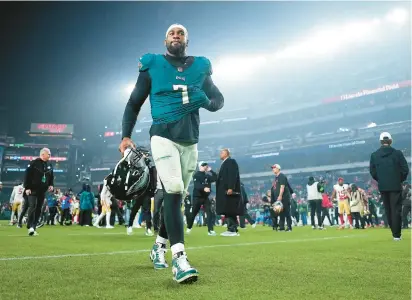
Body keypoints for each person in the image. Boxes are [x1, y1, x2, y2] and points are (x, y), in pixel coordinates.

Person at [119, 23, 224, 283]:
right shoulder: (152, 64)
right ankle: (180, 259)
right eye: (171, 33)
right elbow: (134, 103)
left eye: (181, 34)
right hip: (162, 136)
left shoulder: (200, 66)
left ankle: (158, 245)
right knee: (175, 191)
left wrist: (206, 103)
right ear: (165, 40)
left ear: (187, 41)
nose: (176, 36)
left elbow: (218, 100)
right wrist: (126, 135)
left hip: (190, 140)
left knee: (175, 198)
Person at [370, 132, 409, 241]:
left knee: (388, 210)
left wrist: (381, 180)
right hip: (395, 186)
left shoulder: (374, 155)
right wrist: (398, 179)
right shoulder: (398, 153)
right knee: (396, 210)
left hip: (383, 186)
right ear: (390, 141)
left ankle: (394, 233)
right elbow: (405, 169)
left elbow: (372, 172)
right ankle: (396, 235)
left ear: (381, 142)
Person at [23, 148, 54, 236]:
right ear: (43, 154)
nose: (50, 156)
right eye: (49, 154)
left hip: (42, 190)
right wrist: (27, 187)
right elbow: (27, 175)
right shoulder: (33, 163)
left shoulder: (49, 165)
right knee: (32, 206)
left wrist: (51, 185)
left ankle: (34, 227)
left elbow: (51, 176)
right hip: (32, 189)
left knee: (38, 209)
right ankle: (29, 226)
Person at [216, 149, 243, 236]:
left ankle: (232, 229)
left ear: (227, 153)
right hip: (224, 191)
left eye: (222, 152)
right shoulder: (224, 163)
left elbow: (232, 174)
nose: (220, 154)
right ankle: (232, 228)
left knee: (229, 209)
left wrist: (231, 187)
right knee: (228, 210)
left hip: (228, 191)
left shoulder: (230, 161)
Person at [186, 162, 217, 236]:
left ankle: (210, 230)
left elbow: (215, 178)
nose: (205, 167)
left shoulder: (207, 175)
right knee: (193, 213)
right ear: (200, 167)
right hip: (197, 197)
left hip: (205, 197)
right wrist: (204, 188)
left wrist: (211, 171)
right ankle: (189, 227)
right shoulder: (196, 175)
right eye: (203, 166)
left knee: (209, 212)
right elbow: (197, 186)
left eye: (205, 165)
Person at [270, 164, 292, 231]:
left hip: (284, 197)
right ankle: (281, 227)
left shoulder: (281, 176)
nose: (273, 169)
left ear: (278, 169)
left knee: (287, 212)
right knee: (281, 212)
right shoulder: (276, 177)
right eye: (272, 168)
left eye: (274, 168)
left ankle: (289, 227)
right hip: (279, 198)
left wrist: (280, 196)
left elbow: (282, 187)